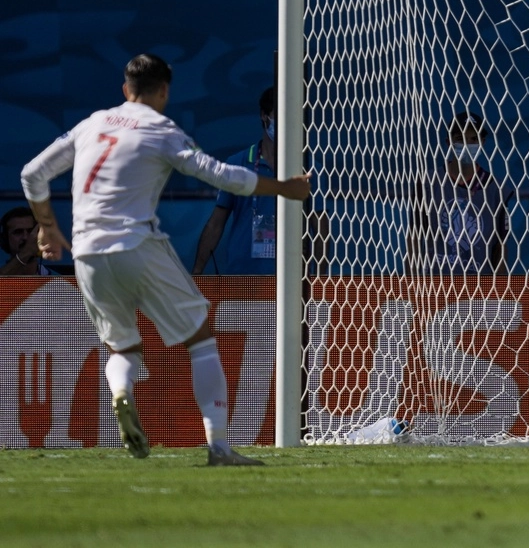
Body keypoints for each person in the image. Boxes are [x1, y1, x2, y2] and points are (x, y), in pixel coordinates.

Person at [21, 54, 312, 466]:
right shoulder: (161, 129)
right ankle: (218, 446)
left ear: (125, 89)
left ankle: (122, 395)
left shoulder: (91, 124)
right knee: (200, 339)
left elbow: (31, 174)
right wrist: (284, 188)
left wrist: (47, 227)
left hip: (87, 253)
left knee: (122, 350)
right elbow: (221, 174)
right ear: (163, 92)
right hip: (138, 245)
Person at [192, 86, 329, 275]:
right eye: (280, 115)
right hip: (242, 279)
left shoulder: (311, 169)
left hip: (293, 281)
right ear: (264, 116)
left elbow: (320, 229)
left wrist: (320, 279)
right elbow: (216, 224)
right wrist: (197, 272)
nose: (287, 122)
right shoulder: (237, 164)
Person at [407, 111, 509, 274]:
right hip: (437, 284)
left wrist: (499, 290)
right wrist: (412, 282)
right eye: (460, 139)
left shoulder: (494, 188)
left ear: (482, 142)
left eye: (474, 139)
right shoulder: (429, 183)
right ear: (449, 142)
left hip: (480, 288)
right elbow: (414, 237)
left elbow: (500, 247)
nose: (468, 144)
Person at [0, 206, 56, 276]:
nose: (25, 237)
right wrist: (27, 252)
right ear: (5, 239)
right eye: (18, 232)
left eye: (30, 231)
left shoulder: (58, 283)